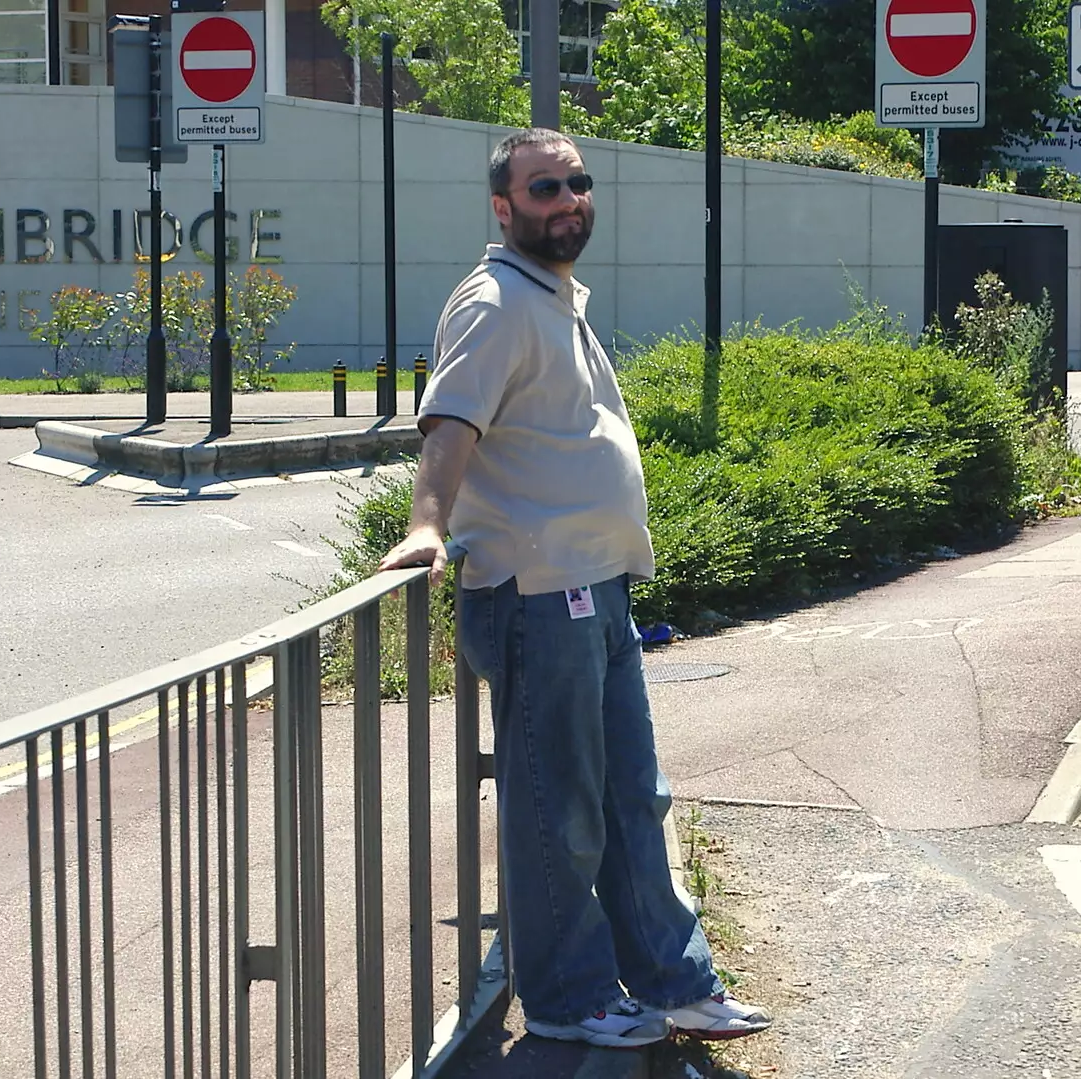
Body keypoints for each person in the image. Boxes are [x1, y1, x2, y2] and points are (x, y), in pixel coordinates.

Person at [376, 128, 772, 1050]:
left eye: (578, 183)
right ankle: (566, 996)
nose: (567, 199)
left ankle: (674, 981)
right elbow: (449, 422)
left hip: (595, 591)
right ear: (503, 207)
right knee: (560, 809)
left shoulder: (549, 295)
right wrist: (427, 526)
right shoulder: (494, 302)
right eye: (544, 186)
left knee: (635, 795)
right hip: (535, 596)